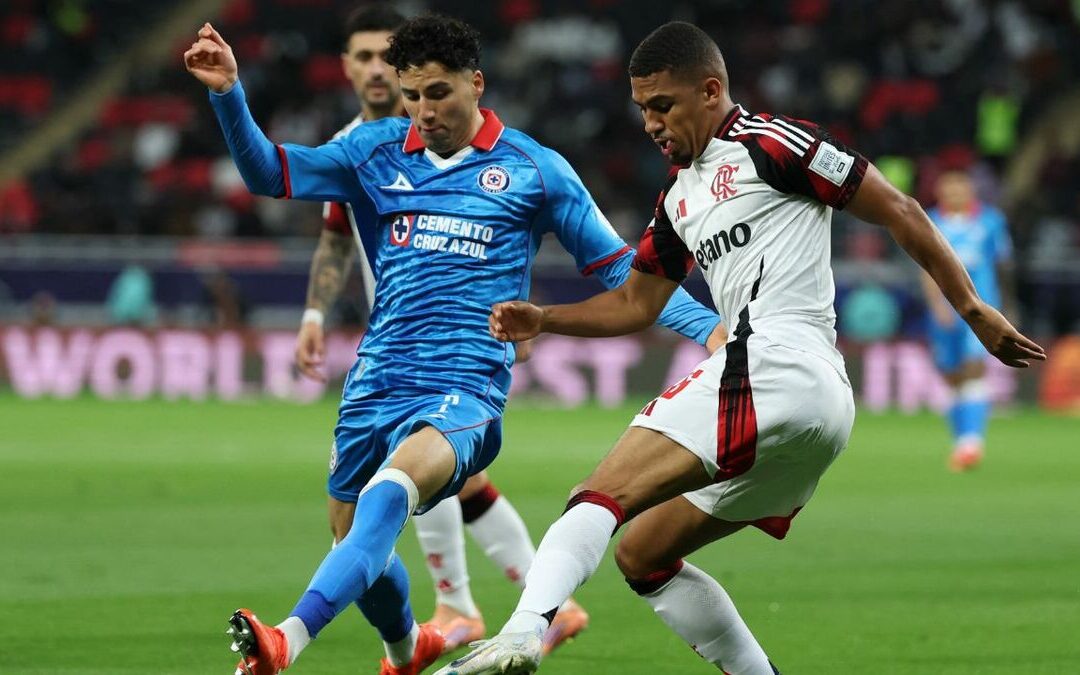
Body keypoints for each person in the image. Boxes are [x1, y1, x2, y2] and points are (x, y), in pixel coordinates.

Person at [439, 21, 1045, 675]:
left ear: (710, 90)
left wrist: (973, 308)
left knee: (597, 496)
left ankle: (524, 631)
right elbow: (636, 303)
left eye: (663, 105)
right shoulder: (678, 198)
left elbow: (898, 207)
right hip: (813, 413)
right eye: (642, 109)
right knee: (642, 552)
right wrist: (546, 317)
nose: (650, 123)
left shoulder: (771, 143)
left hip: (775, 364)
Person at [183, 14, 725, 675]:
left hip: (464, 388)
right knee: (357, 547)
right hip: (374, 382)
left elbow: (619, 267)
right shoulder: (374, 150)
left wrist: (709, 327)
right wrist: (227, 92)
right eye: (412, 96)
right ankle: (408, 650)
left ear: (476, 83)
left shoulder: (533, 169)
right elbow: (270, 174)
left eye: (437, 93)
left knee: (388, 494)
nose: (423, 111)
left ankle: (286, 640)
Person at [293, 4, 587, 653]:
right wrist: (315, 313)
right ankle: (548, 600)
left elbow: (495, 228)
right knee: (451, 478)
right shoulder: (355, 146)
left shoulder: (457, 142)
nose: (374, 68)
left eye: (383, 55)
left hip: (448, 346)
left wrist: (520, 307)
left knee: (416, 471)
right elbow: (337, 238)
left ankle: (455, 607)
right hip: (393, 339)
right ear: (347, 67)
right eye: (364, 57)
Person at [921, 169, 1015, 471]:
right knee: (951, 374)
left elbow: (1002, 265)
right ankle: (962, 439)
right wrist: (936, 305)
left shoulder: (991, 221)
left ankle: (971, 444)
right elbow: (926, 266)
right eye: (948, 188)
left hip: (982, 307)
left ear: (970, 190)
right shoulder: (930, 220)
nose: (954, 193)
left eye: (959, 187)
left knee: (975, 368)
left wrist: (1008, 306)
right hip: (946, 309)